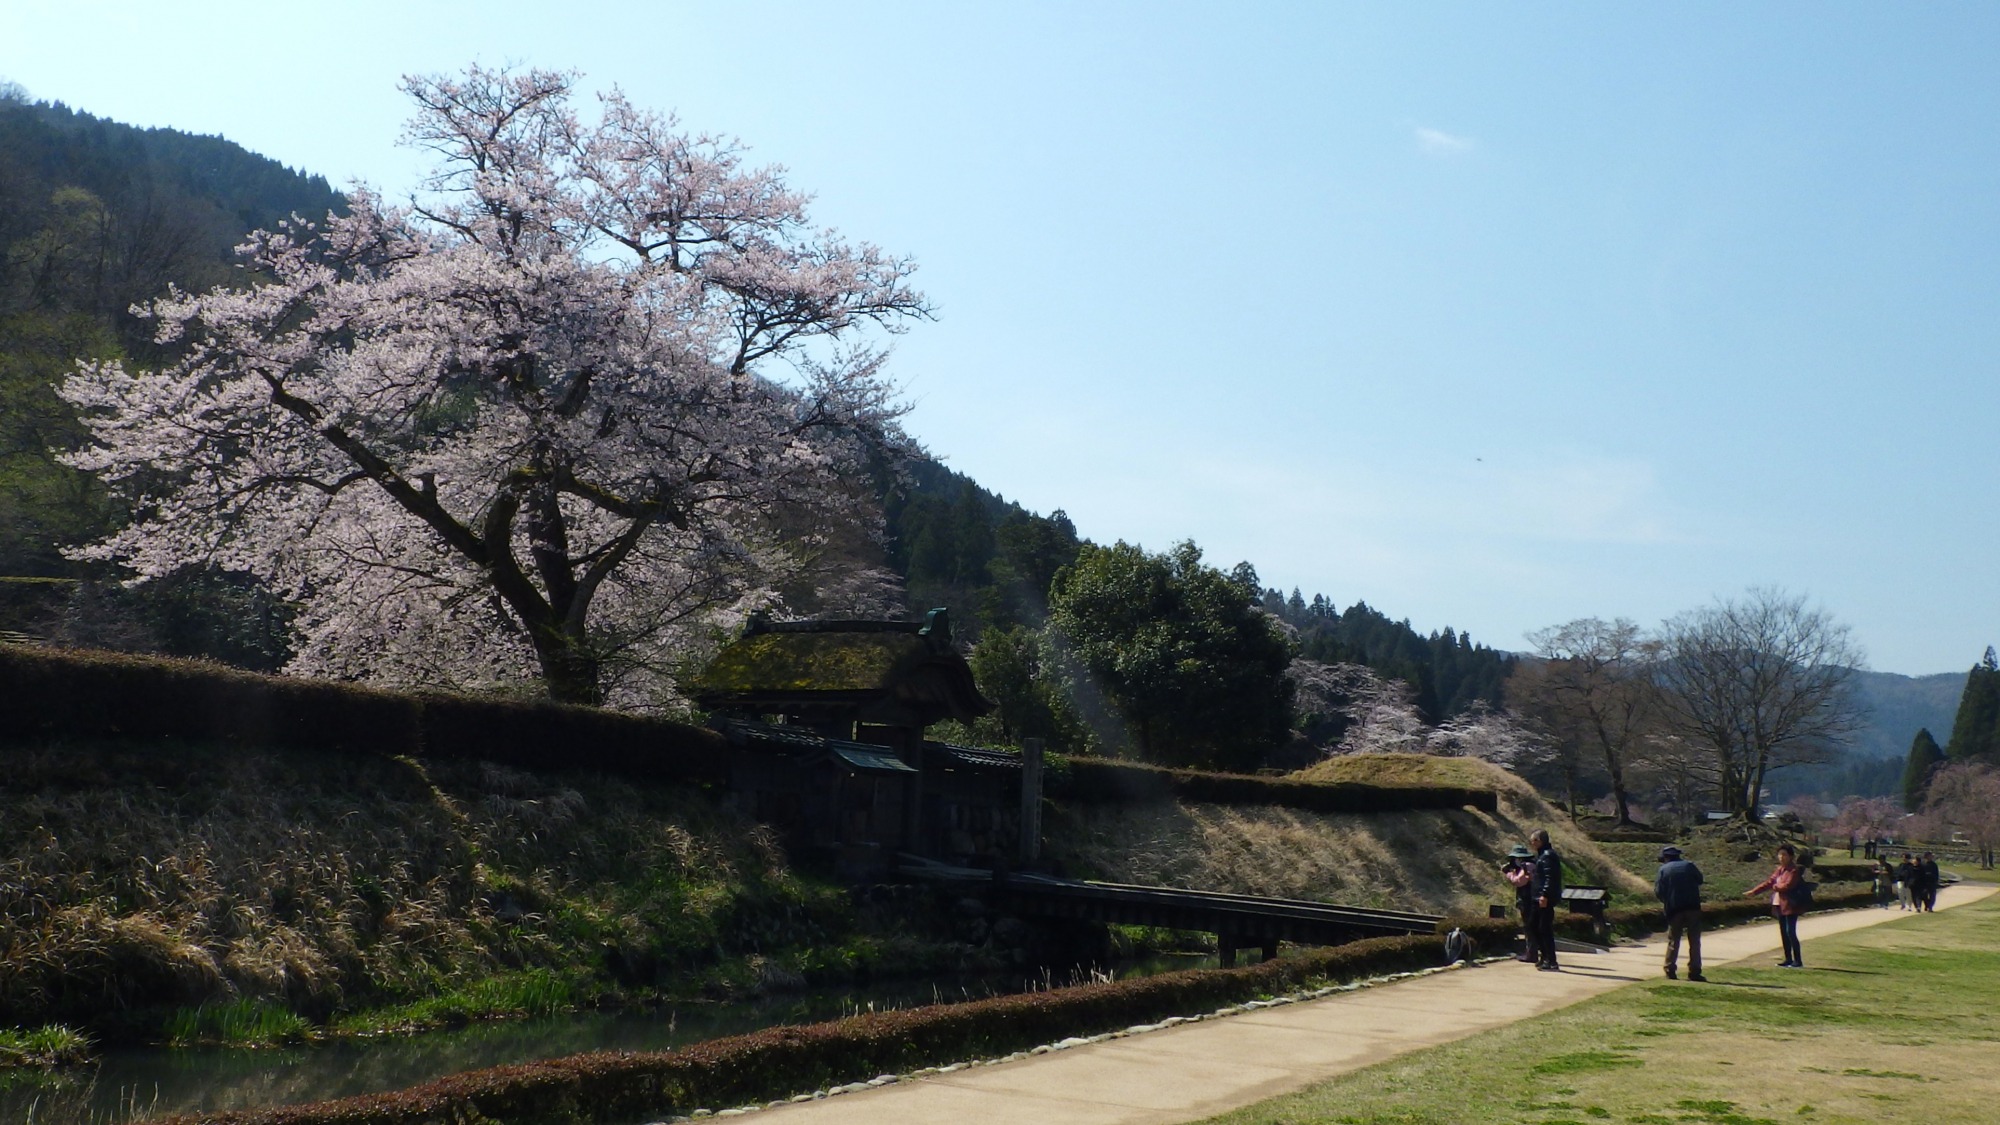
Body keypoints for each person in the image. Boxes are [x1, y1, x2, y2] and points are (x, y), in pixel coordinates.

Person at [1747, 844, 1807, 968]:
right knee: (1783, 933)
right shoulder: (1780, 869)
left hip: (1790, 905)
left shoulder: (1793, 870)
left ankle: (1798, 961)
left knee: (1790, 932)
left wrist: (1776, 887)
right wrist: (1754, 891)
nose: (1781, 857)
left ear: (1790, 856)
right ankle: (1788, 959)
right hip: (1779, 904)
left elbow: (1788, 885)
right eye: (1780, 854)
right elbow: (1769, 882)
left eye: (1784, 854)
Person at [1654, 845, 1705, 981]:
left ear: (1665, 857)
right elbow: (1700, 880)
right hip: (1693, 907)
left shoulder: (1663, 869)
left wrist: (1667, 901)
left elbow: (1659, 891)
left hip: (1674, 909)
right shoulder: (1689, 866)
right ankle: (1694, 971)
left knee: (1674, 940)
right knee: (1694, 941)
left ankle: (1670, 969)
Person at [1528, 828, 1563, 971]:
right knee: (1534, 926)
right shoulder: (1542, 855)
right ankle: (1544, 956)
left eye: (1533, 840)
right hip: (1537, 897)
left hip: (1543, 898)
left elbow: (1550, 878)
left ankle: (1551, 960)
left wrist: (1545, 894)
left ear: (1540, 841)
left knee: (1544, 928)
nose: (1531, 843)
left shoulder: (1548, 856)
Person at [1502, 845, 1537, 962]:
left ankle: (1531, 954)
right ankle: (1533, 953)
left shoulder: (1526, 866)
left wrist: (1509, 873)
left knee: (1529, 927)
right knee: (1532, 927)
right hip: (1532, 899)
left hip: (1527, 900)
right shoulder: (1532, 865)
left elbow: (1518, 881)